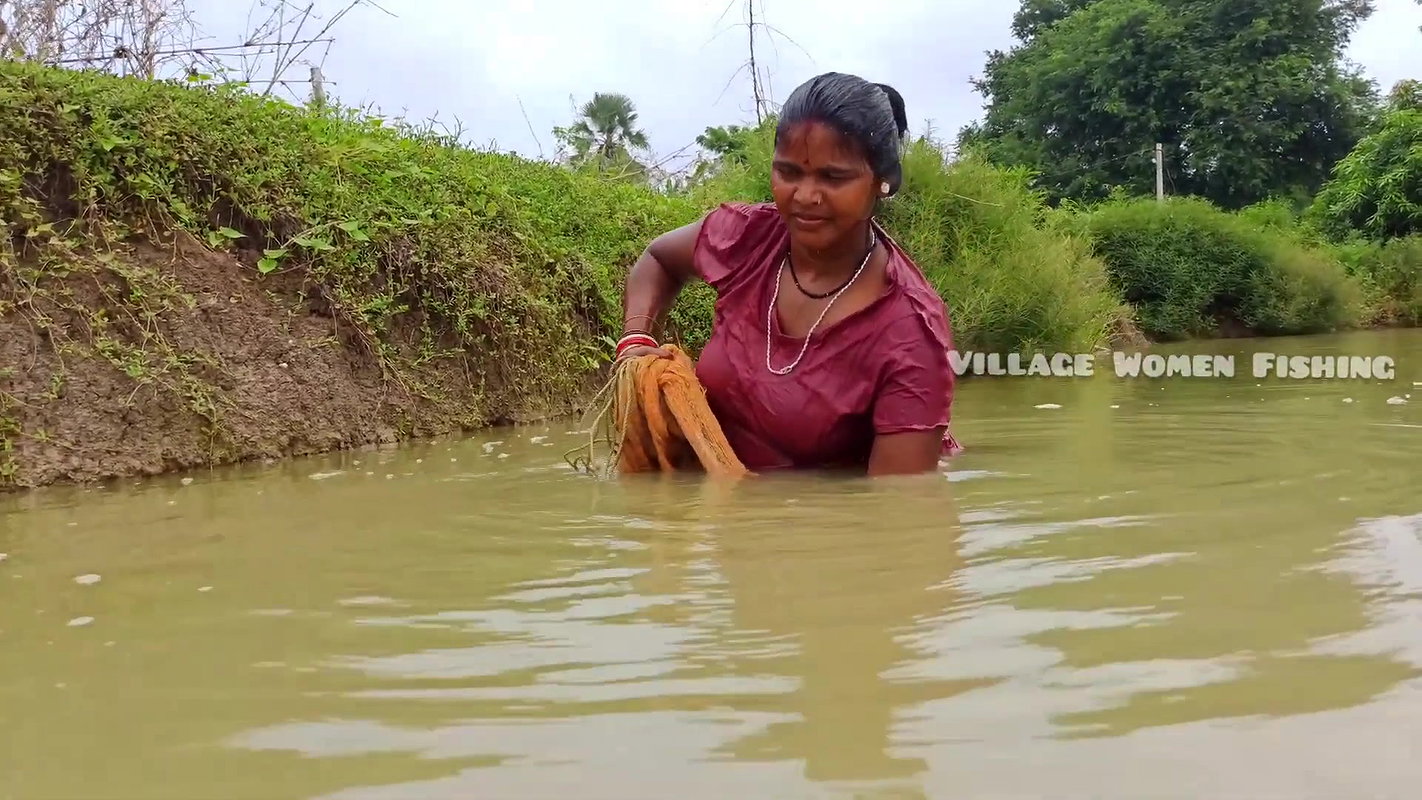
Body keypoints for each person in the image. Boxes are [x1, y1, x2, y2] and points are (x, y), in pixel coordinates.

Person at [615, 72, 961, 477]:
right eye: (789, 172)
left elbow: (895, 505)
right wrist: (636, 339)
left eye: (833, 177)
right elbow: (658, 259)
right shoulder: (749, 238)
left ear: (885, 181)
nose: (805, 196)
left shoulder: (911, 333)